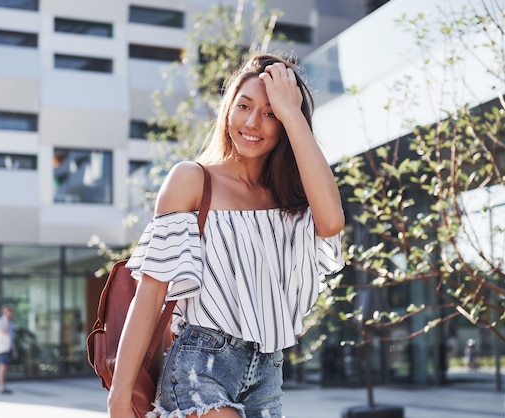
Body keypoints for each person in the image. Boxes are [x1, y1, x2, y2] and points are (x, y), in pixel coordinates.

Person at [108, 54, 345, 418]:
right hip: (200, 363)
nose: (253, 123)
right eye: (244, 106)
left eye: (270, 112)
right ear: (228, 110)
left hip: (268, 372)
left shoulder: (291, 198)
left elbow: (330, 222)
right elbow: (150, 292)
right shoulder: (192, 180)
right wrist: (119, 397)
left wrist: (293, 113)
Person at [0, 304, 16, 394]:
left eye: (10, 311)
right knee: (2, 367)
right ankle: (1, 387)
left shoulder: (12, 322)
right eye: (7, 311)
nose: (9, 313)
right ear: (4, 311)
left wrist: (14, 349)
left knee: (5, 368)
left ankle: (3, 386)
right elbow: (4, 331)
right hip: (2, 348)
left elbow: (12, 337)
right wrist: (6, 320)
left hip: (9, 347)